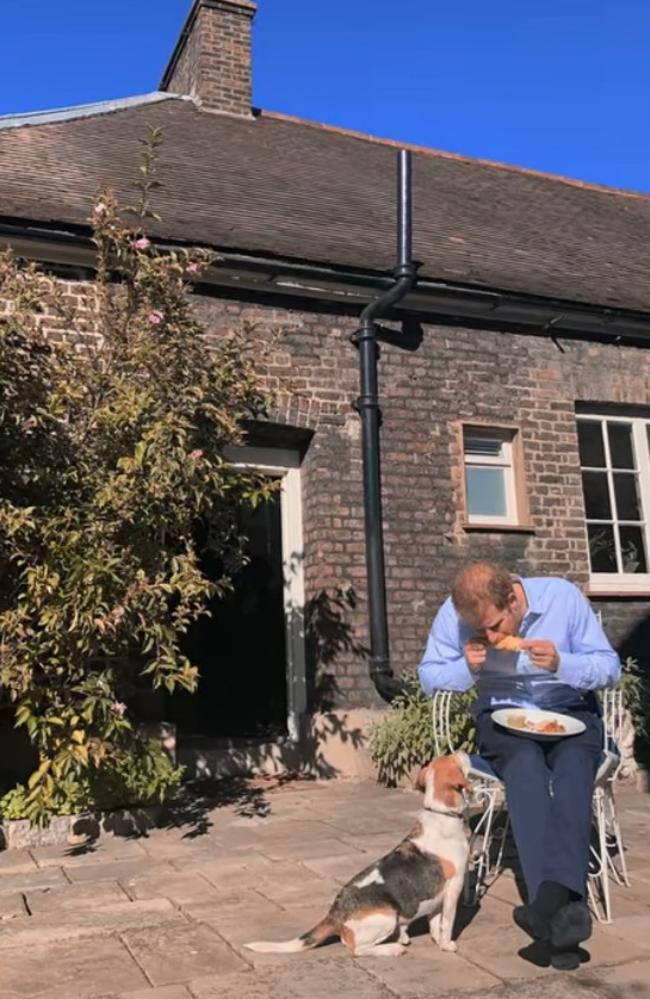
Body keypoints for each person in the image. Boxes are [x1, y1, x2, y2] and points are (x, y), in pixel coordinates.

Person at [418, 561, 621, 971]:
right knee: (525, 769)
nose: (490, 637)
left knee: (573, 772)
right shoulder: (453, 614)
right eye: (480, 631)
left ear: (513, 598)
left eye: (495, 625)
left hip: (571, 711)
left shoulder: (561, 598)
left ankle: (548, 907)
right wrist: (468, 667)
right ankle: (565, 910)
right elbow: (428, 676)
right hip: (502, 717)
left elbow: (609, 668)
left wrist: (563, 663)